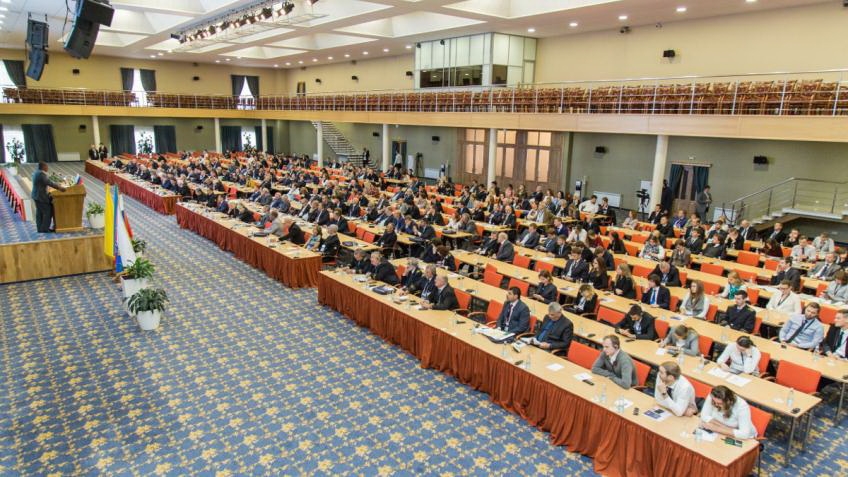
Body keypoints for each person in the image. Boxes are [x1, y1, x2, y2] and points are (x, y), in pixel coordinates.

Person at [31, 162, 67, 233]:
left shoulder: (36, 172)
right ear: (43, 167)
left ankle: (40, 228)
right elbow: (50, 183)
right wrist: (60, 188)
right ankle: (45, 229)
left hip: (36, 196)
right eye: (46, 166)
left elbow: (46, 182)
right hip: (40, 197)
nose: (47, 168)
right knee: (47, 212)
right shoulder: (41, 174)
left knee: (39, 212)